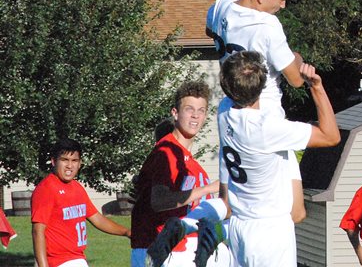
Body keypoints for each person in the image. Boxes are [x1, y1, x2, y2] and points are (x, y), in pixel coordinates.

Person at [215, 51, 340, 266]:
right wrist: (316, 88)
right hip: (269, 232)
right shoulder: (267, 128)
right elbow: (331, 136)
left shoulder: (224, 110)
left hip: (239, 226)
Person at [206, 0, 307, 223]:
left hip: (230, 111)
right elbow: (296, 79)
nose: (283, 6)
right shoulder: (268, 25)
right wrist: (296, 56)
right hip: (266, 117)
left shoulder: (223, 2)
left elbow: (209, 28)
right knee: (293, 212)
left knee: (230, 205)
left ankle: (200, 231)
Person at [131, 80, 230, 267]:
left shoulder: (186, 158)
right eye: (189, 109)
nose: (195, 116)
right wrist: (208, 188)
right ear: (175, 113)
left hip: (179, 247)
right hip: (154, 247)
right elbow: (159, 201)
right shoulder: (166, 151)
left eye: (201, 110)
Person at [31, 138, 130, 267]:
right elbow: (38, 231)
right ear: (54, 161)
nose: (69, 166)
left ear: (80, 163)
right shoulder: (47, 189)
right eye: (64, 160)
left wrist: (126, 232)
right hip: (58, 262)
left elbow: (97, 219)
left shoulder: (76, 187)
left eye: (74, 161)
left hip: (76, 258)